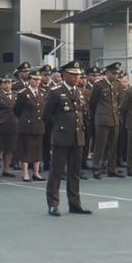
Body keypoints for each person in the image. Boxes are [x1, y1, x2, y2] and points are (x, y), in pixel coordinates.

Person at [42, 62, 92, 217]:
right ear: (64, 75)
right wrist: (59, 127)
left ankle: (75, 204)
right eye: (73, 75)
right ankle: (53, 204)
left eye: (78, 75)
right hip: (61, 136)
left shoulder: (80, 92)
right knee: (56, 172)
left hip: (78, 137)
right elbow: (46, 115)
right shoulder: (56, 92)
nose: (77, 78)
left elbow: (84, 114)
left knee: (75, 172)